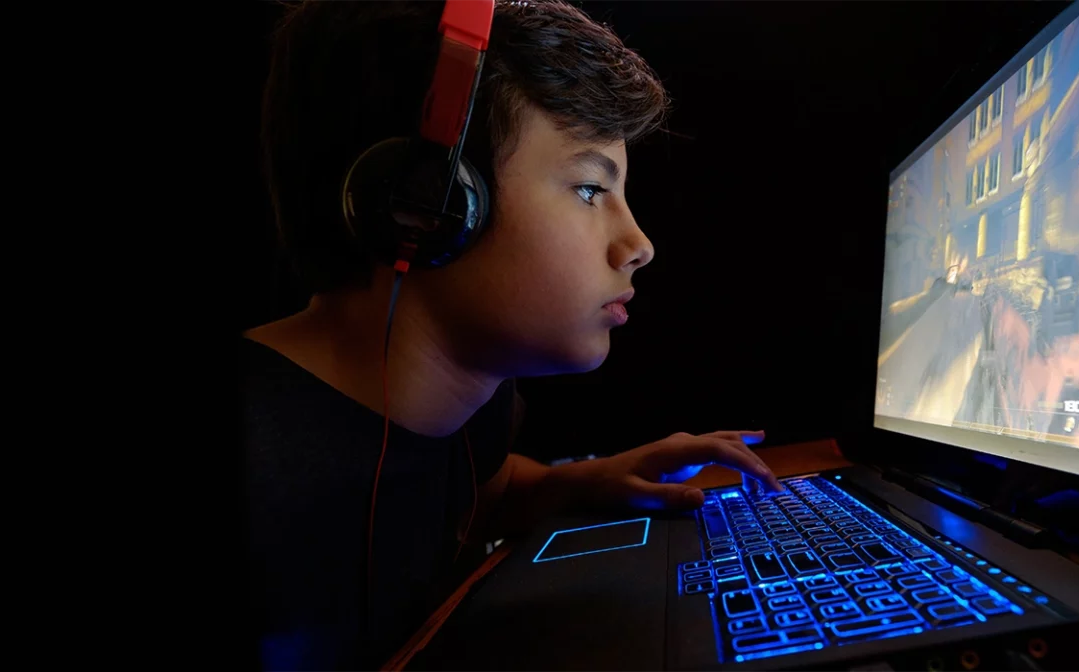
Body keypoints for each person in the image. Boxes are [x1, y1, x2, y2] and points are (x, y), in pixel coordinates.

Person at [243, 1, 784, 669]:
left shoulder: (474, 408)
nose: (638, 244)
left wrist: (590, 480)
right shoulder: (257, 458)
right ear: (428, 205)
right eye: (590, 190)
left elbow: (482, 492)